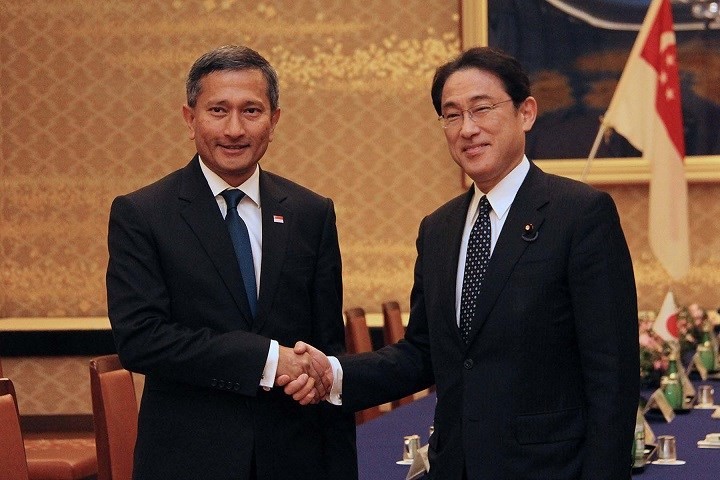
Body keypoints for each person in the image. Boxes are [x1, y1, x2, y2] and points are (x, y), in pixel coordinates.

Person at [285, 47, 639, 479]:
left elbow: (613, 376)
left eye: (482, 109)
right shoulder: (439, 228)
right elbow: (422, 353)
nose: (467, 129)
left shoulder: (580, 215)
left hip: (551, 469)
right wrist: (334, 373)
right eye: (452, 115)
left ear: (526, 113)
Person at [106, 45, 356, 480]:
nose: (234, 129)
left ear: (274, 120)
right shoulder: (143, 214)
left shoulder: (310, 213)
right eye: (218, 110)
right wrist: (268, 359)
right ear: (190, 119)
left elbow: (326, 349)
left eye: (252, 111)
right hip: (188, 458)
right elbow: (141, 339)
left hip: (294, 458)